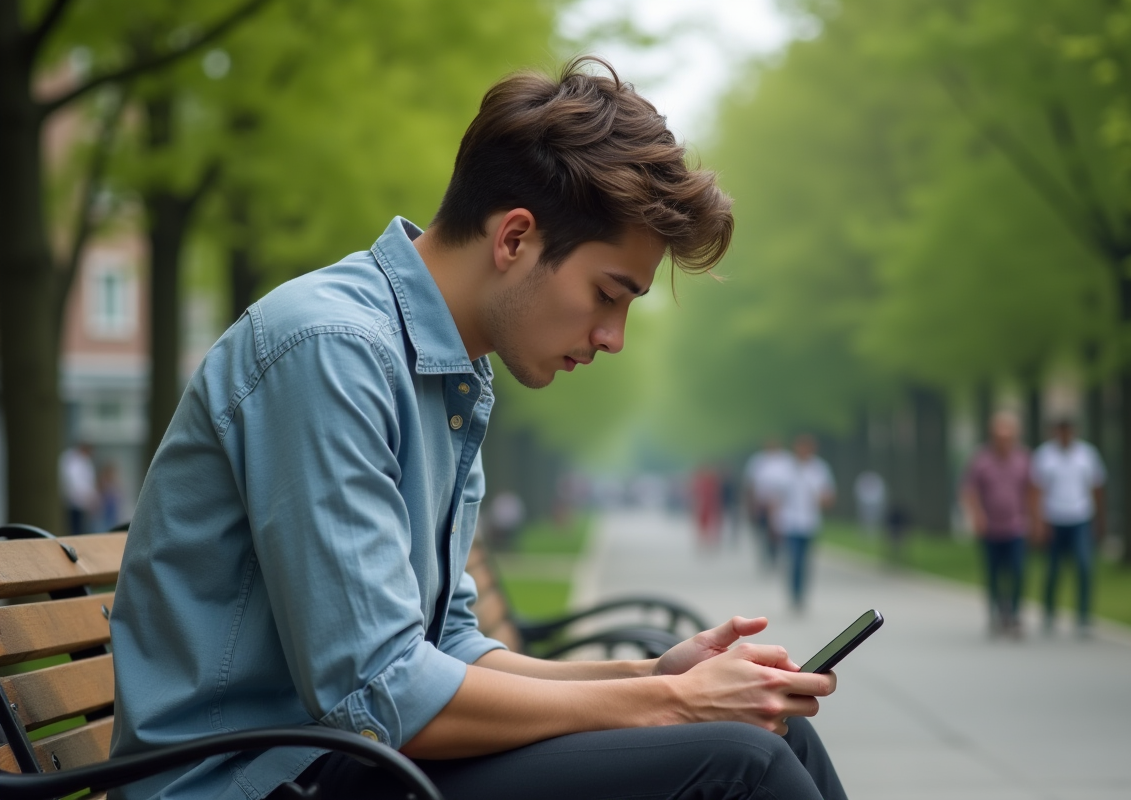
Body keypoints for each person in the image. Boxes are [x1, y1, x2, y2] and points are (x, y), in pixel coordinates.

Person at [108, 59, 848, 800]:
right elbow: (380, 694)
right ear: (515, 238)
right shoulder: (330, 350)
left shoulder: (448, 373)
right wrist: (669, 704)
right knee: (744, 764)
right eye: (607, 294)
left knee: (775, 731)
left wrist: (649, 675)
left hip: (343, 762)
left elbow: (450, 647)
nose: (614, 337)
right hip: (253, 779)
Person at [961, 411, 1037, 637]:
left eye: (1007, 436)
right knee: (993, 573)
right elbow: (969, 490)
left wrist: (1035, 519)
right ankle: (996, 613)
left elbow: (1032, 490)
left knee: (1018, 571)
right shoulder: (981, 460)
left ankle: (1013, 614)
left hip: (1016, 526)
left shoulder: (1024, 459)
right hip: (990, 528)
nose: (1003, 441)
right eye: (999, 436)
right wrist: (977, 515)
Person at [1031, 417, 1106, 635]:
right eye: (1060, 431)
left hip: (1080, 517)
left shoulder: (1087, 454)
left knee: (1084, 566)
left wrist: (1100, 518)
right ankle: (1049, 612)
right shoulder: (1044, 455)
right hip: (1053, 518)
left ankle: (1083, 615)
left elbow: (1097, 487)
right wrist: (1037, 521)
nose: (1064, 435)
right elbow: (1036, 490)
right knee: (1053, 569)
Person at [772, 435, 836, 609]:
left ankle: (801, 593)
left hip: (810, 522)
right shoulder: (786, 469)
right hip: (789, 522)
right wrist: (774, 521)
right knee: (794, 559)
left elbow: (828, 495)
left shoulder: (820, 468)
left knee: (805, 561)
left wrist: (821, 499)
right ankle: (794, 593)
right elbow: (777, 497)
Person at [743, 437, 793, 567]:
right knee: (764, 530)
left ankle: (774, 552)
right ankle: (767, 552)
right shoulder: (757, 460)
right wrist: (750, 504)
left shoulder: (787, 460)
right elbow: (751, 484)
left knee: (778, 531)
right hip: (762, 503)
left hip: (781, 504)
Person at [58, 442, 98, 535]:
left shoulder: (84, 461)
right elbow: (75, 483)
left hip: (83, 502)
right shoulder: (73, 460)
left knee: (82, 528)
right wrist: (87, 497)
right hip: (75, 502)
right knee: (75, 528)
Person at [853, 470, 886, 536]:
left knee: (874, 519)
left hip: (874, 504)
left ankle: (873, 531)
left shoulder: (876, 480)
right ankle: (863, 531)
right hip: (864, 504)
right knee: (864, 519)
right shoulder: (863, 480)